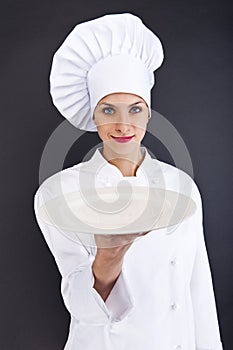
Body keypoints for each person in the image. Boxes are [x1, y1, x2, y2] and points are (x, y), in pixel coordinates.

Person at [34, 13, 223, 350]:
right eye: (108, 110)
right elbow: (81, 308)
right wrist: (110, 255)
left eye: (135, 109)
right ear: (92, 114)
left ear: (149, 112)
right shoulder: (58, 195)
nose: (123, 124)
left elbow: (199, 292)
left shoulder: (181, 188)